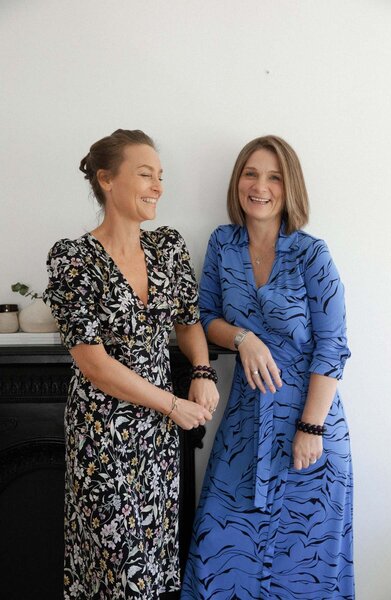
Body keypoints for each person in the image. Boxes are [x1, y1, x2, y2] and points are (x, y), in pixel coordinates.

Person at [43, 129, 219, 600]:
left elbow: (187, 322)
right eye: (145, 174)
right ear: (106, 179)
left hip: (157, 437)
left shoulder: (168, 246)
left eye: (160, 176)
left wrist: (201, 371)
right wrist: (173, 406)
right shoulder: (73, 258)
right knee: (114, 565)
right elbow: (93, 363)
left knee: (155, 563)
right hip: (103, 434)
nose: (158, 186)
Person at [181, 135, 353, 599]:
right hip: (242, 429)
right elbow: (205, 316)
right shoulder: (223, 243)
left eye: (274, 176)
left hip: (308, 428)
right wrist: (244, 338)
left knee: (304, 570)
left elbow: (333, 347)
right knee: (219, 557)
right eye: (251, 173)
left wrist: (311, 428)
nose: (260, 186)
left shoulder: (312, 254)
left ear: (289, 187)